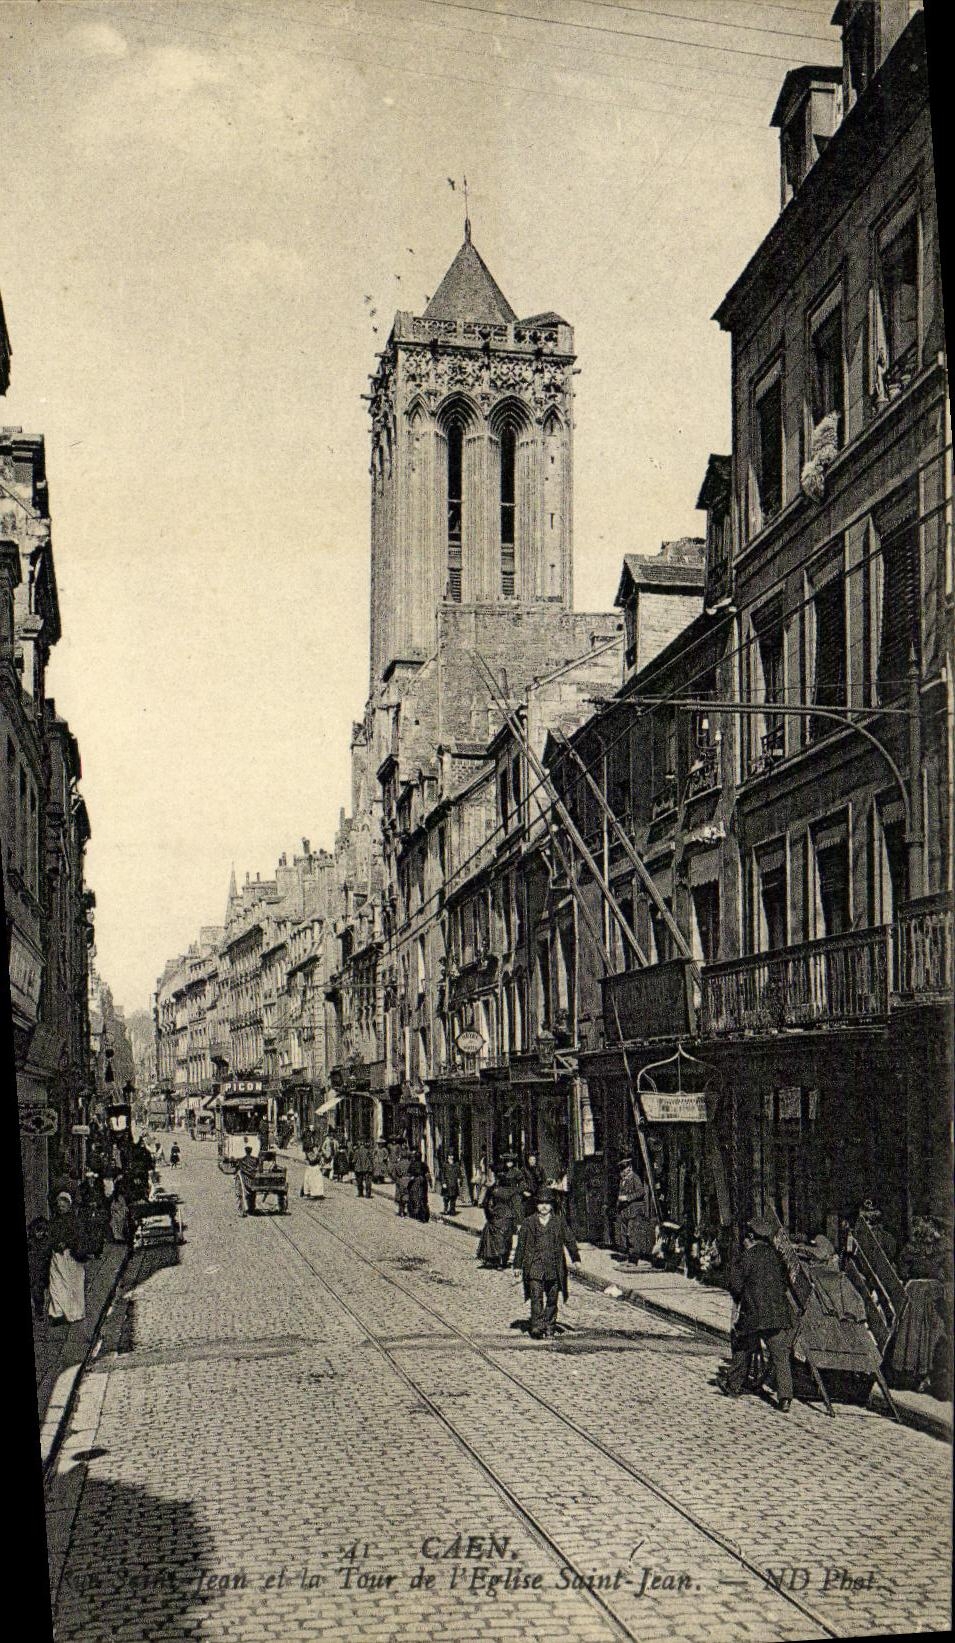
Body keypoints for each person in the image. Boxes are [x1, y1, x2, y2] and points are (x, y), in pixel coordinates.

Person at [720, 1218, 795, 1412]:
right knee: (780, 1355)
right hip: (778, 1314)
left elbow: (735, 1285)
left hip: (754, 1313)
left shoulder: (748, 1256)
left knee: (742, 1346)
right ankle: (785, 1398)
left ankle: (733, 1385)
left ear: (751, 1237)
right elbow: (787, 1282)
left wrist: (740, 1296)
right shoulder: (777, 1256)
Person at [512, 1188, 581, 1338]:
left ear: (552, 1206)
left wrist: (575, 1258)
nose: (544, 1206)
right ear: (536, 1205)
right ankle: (537, 1326)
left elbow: (569, 1240)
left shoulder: (559, 1222)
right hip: (534, 1266)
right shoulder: (528, 1222)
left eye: (547, 1203)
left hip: (554, 1267)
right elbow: (521, 1246)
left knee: (552, 1298)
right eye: (541, 1203)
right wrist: (517, 1266)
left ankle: (550, 1325)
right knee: (536, 1296)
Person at [47, 1191, 90, 1326]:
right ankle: (57, 1313)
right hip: (57, 1256)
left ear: (69, 1206)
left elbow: (79, 1236)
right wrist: (55, 1244)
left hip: (70, 1257)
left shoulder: (75, 1221)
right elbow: (50, 1236)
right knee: (56, 1284)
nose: (61, 1208)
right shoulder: (53, 1221)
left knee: (72, 1284)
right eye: (59, 1206)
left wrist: (66, 1243)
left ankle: (74, 1313)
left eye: (64, 1206)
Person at [615, 1155, 655, 1266]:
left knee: (633, 1235)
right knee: (625, 1234)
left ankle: (633, 1260)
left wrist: (627, 1198)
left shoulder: (634, 1178)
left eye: (625, 1168)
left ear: (629, 1168)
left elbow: (641, 1192)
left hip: (634, 1211)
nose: (623, 1171)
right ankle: (628, 1257)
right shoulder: (623, 1180)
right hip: (625, 1211)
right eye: (622, 1169)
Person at [477, 1165, 519, 1269]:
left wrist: (489, 1216)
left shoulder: (493, 1190)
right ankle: (502, 1260)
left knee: (495, 1238)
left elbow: (486, 1204)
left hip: (497, 1216)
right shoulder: (512, 1190)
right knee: (506, 1239)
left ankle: (496, 1260)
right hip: (508, 1217)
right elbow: (516, 1205)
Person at [27, 1217, 51, 1321]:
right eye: (38, 1231)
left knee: (38, 1291)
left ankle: (40, 1312)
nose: (40, 1234)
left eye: (43, 1231)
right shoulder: (30, 1242)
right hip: (33, 1271)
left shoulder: (46, 1243)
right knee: (36, 1292)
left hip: (43, 1272)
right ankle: (39, 1311)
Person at [439, 1152, 465, 1216]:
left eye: (452, 1156)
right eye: (449, 1156)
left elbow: (459, 1173)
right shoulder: (445, 1165)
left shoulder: (456, 1165)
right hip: (447, 1183)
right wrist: (443, 1183)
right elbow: (442, 1174)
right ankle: (445, 1209)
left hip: (454, 1184)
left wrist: (459, 1179)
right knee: (446, 1198)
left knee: (453, 1198)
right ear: (447, 1157)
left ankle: (452, 1209)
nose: (451, 1157)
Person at [407, 1152, 431, 1222]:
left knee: (415, 1197)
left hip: (416, 1182)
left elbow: (410, 1175)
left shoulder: (412, 1164)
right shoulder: (424, 1164)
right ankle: (424, 1215)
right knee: (423, 1198)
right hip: (423, 1182)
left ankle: (419, 1214)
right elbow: (427, 1174)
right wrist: (430, 1183)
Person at [394, 1143, 413, 1217]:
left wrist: (397, 1178)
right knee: (407, 1195)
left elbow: (395, 1173)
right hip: (408, 1180)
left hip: (401, 1180)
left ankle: (401, 1212)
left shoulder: (398, 1164)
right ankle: (408, 1212)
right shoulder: (410, 1163)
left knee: (400, 1196)